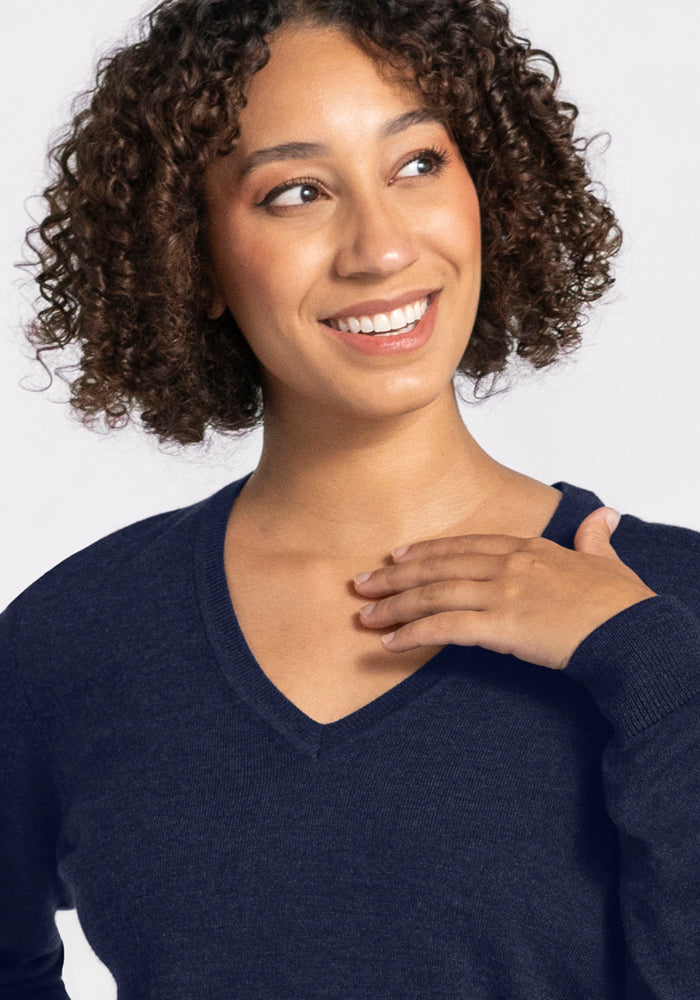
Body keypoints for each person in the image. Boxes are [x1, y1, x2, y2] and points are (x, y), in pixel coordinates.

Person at [2, 0, 699, 996]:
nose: (379, 247)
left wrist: (655, 670)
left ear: (485, 191)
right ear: (191, 254)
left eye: (417, 165)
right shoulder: (75, 640)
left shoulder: (672, 611)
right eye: (295, 192)